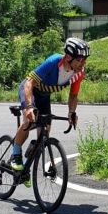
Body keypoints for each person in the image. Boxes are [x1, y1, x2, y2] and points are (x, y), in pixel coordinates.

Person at [10, 37, 90, 173]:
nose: (82, 64)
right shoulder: (53, 62)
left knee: (44, 132)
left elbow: (73, 95)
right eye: (79, 60)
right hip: (30, 91)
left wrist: (71, 113)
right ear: (68, 57)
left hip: (44, 96)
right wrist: (29, 107)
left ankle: (26, 164)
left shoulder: (79, 73)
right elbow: (29, 83)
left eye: (84, 60)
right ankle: (15, 154)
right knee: (29, 122)